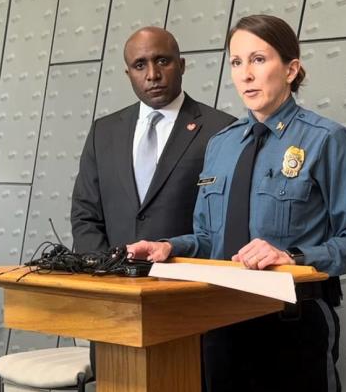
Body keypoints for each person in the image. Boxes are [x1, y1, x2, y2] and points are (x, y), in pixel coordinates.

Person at [128, 15, 346, 392]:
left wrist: (292, 255)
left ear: (291, 69)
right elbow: (209, 237)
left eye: (259, 59)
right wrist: (171, 247)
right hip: (220, 324)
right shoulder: (222, 145)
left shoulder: (326, 140)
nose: (245, 73)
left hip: (292, 326)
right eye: (236, 62)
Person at [71, 26, 235, 252]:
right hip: (111, 280)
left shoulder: (223, 129)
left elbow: (224, 223)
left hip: (184, 281)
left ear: (182, 65)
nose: (152, 75)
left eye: (162, 61)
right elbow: (85, 214)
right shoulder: (104, 132)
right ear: (128, 74)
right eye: (140, 65)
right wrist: (104, 272)